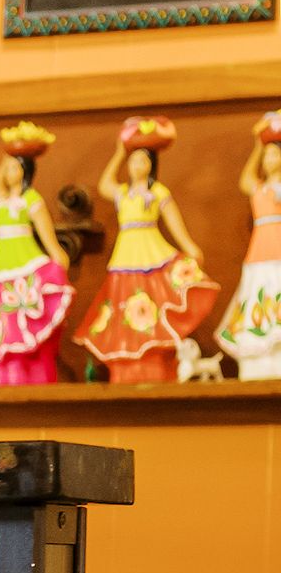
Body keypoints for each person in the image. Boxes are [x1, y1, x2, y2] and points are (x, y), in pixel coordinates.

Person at [76, 116, 217, 385]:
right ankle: (128, 353)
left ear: (152, 166)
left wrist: (188, 244)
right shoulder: (123, 192)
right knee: (123, 298)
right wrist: (119, 153)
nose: (137, 165)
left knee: (155, 295)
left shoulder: (157, 192)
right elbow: (105, 183)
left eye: (143, 161)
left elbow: (173, 220)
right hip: (126, 253)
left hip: (151, 249)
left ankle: (154, 353)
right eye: (134, 160)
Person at [0, 121, 75, 388]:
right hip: (2, 264)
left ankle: (27, 368)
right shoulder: (2, 199)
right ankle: (0, 371)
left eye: (15, 167)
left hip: (25, 261)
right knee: (0, 317)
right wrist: (7, 155)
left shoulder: (31, 199)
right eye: (9, 167)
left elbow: (46, 233)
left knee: (22, 316)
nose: (9, 172)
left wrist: (57, 254)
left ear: (25, 171)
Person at [216, 110, 281, 382]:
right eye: (267, 156)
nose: (270, 159)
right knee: (258, 295)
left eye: (274, 154)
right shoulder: (258, 187)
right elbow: (245, 179)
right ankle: (258, 357)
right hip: (259, 252)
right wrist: (257, 146)